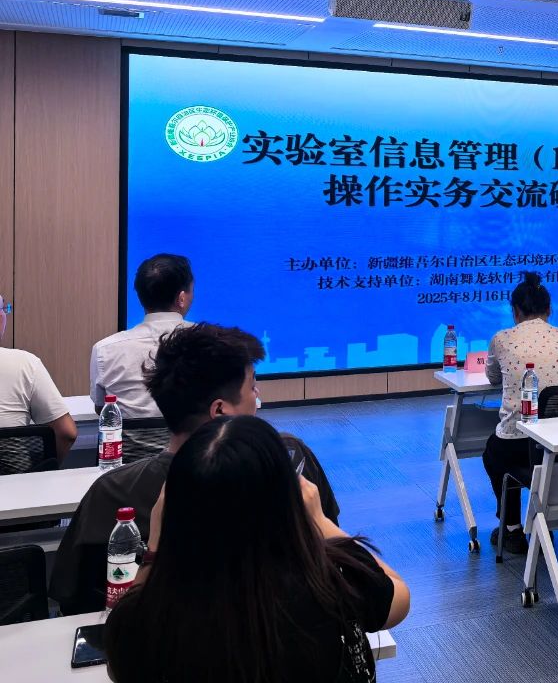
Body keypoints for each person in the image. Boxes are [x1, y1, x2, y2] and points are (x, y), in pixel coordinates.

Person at [51, 322, 339, 615]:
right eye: (252, 387)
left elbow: (74, 601)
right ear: (220, 411)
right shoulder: (290, 466)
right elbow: (339, 564)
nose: (257, 396)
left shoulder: (112, 492)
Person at [104, 415, 409, 683]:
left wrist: (156, 544)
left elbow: (121, 656)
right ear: (286, 502)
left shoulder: (149, 623)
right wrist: (321, 522)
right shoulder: (328, 586)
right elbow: (398, 597)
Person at [481, 271, 558, 555]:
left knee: (493, 453)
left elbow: (492, 378)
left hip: (517, 443)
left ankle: (511, 528)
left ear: (515, 311)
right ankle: (545, 520)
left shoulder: (502, 338)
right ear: (549, 310)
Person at [90, 254, 194, 418]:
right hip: (195, 436)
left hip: (129, 436)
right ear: (181, 298)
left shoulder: (104, 350)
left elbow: (103, 409)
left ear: (140, 297)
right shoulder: (211, 342)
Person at [0, 295, 76, 463]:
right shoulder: (25, 363)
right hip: (16, 478)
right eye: (5, 309)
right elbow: (66, 433)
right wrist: (46, 471)